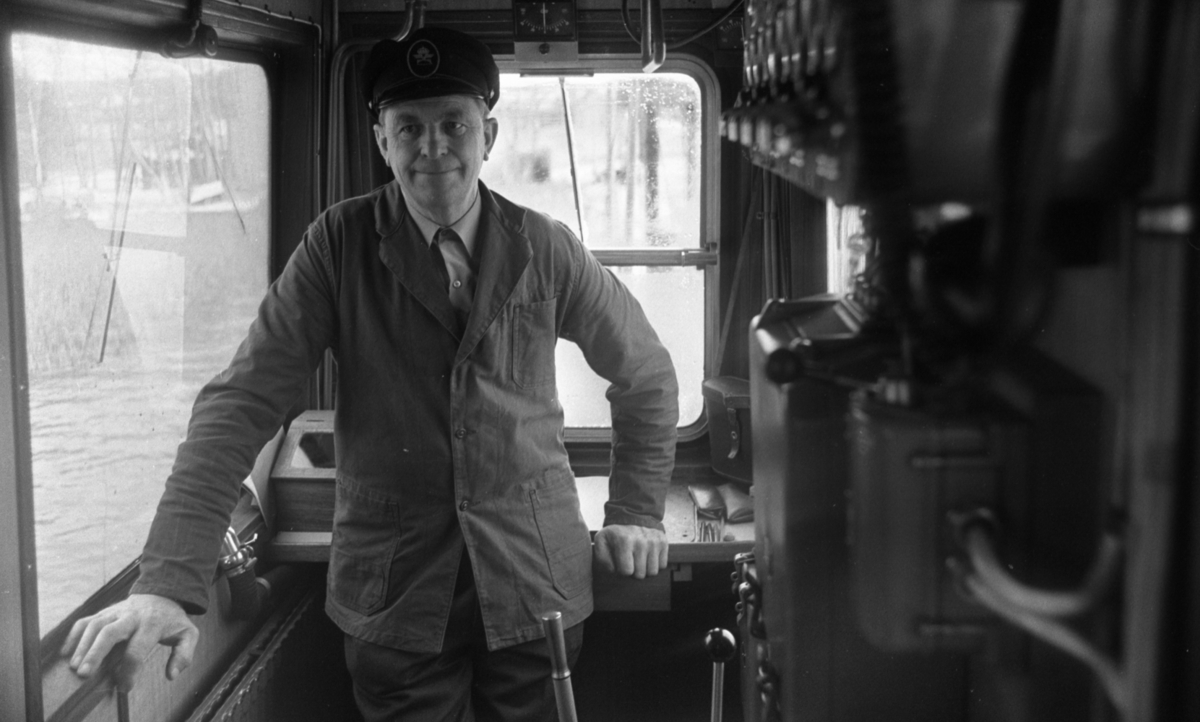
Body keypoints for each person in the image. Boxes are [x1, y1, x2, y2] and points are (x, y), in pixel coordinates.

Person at [61, 25, 679, 720]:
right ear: (382, 141)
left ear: (489, 135)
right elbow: (240, 404)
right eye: (409, 127)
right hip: (395, 590)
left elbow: (647, 375)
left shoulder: (546, 246)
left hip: (535, 578)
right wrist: (167, 580)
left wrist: (635, 512)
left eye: (454, 124)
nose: (433, 147)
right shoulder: (336, 246)